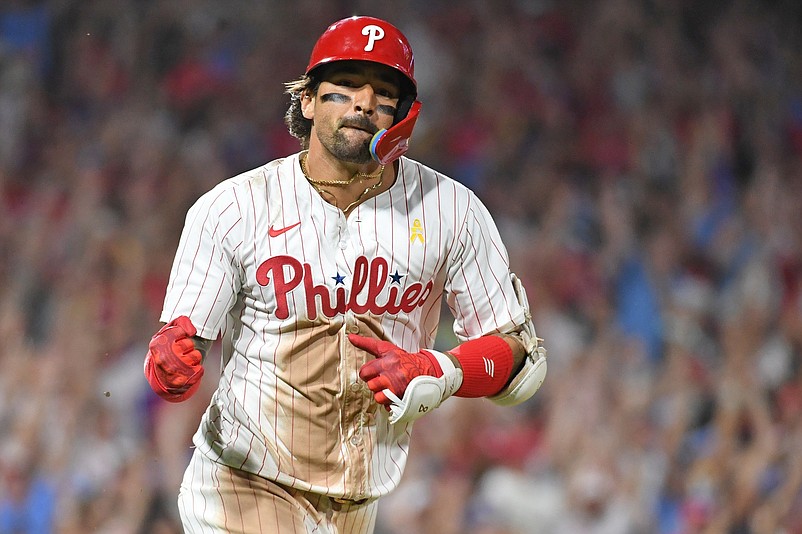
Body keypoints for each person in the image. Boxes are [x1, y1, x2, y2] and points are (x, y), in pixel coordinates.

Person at [143, 15, 547, 534]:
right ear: (307, 101)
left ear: (403, 114)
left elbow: (518, 359)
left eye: (383, 93)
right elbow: (178, 346)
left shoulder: (452, 211)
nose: (364, 103)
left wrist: (441, 370)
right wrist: (171, 359)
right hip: (242, 483)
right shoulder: (233, 207)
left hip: (356, 502)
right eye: (346, 87)